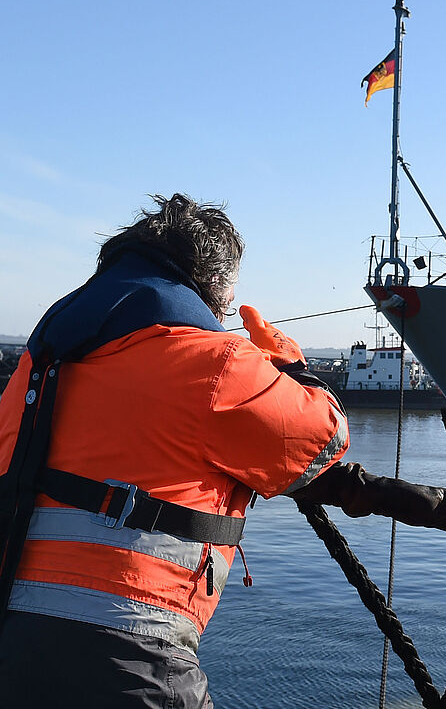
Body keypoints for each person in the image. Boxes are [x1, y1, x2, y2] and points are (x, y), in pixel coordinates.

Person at [0, 194, 353, 707]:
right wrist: (289, 364)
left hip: (14, 640)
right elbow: (323, 438)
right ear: (216, 289)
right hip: (133, 652)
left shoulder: (41, 361)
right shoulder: (219, 361)